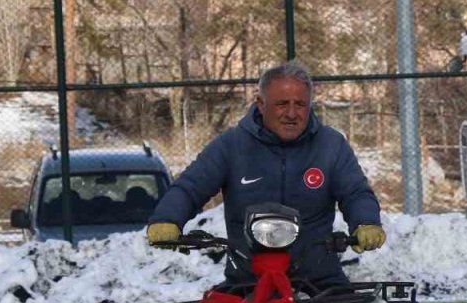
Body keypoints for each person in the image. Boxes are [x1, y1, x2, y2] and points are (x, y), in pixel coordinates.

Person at [146, 60, 385, 289]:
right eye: (282, 104)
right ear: (260, 103)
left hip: (319, 279)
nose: (291, 113)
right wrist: (167, 218)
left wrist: (366, 222)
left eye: (300, 104)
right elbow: (190, 187)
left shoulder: (331, 145)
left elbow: (355, 192)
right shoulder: (232, 145)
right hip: (247, 280)